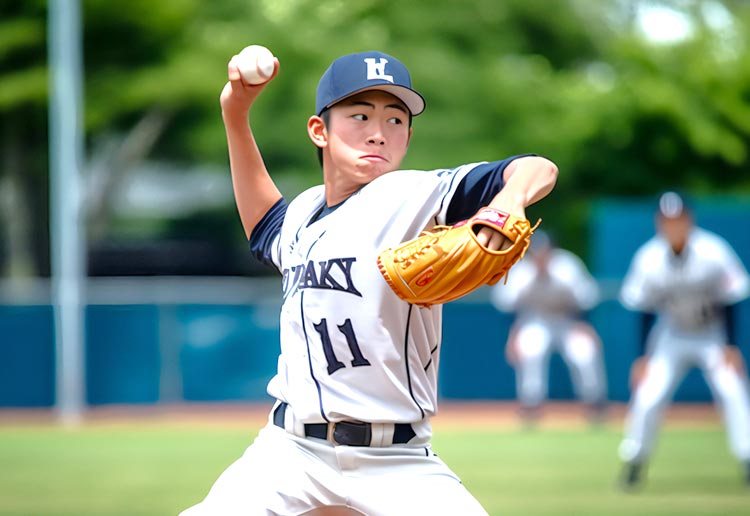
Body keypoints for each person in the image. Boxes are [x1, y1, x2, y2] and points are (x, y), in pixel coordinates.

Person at [180, 48, 558, 515]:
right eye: (360, 115)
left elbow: (537, 167)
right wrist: (235, 112)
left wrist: (511, 201)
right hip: (290, 451)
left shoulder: (412, 195)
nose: (379, 133)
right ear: (320, 130)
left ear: (409, 136)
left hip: (396, 460)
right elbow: (263, 225)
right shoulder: (302, 213)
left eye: (395, 120)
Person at [617, 191, 750, 489]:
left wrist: (731, 346)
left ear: (689, 219)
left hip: (711, 333)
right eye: (667, 220)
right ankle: (634, 463)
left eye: (678, 219)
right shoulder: (649, 257)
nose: (673, 225)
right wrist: (643, 357)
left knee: (732, 389)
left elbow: (732, 299)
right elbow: (643, 310)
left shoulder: (714, 251)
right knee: (648, 395)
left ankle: (747, 458)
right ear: (658, 222)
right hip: (671, 334)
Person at [489, 231, 607, 425]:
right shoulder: (522, 271)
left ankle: (595, 403)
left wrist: (587, 327)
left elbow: (586, 300)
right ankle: (531, 405)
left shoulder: (567, 267)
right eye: (536, 253)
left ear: (552, 251)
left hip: (568, 321)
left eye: (544, 252)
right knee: (531, 351)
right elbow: (506, 307)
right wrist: (512, 337)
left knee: (584, 351)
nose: (540, 257)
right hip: (534, 321)